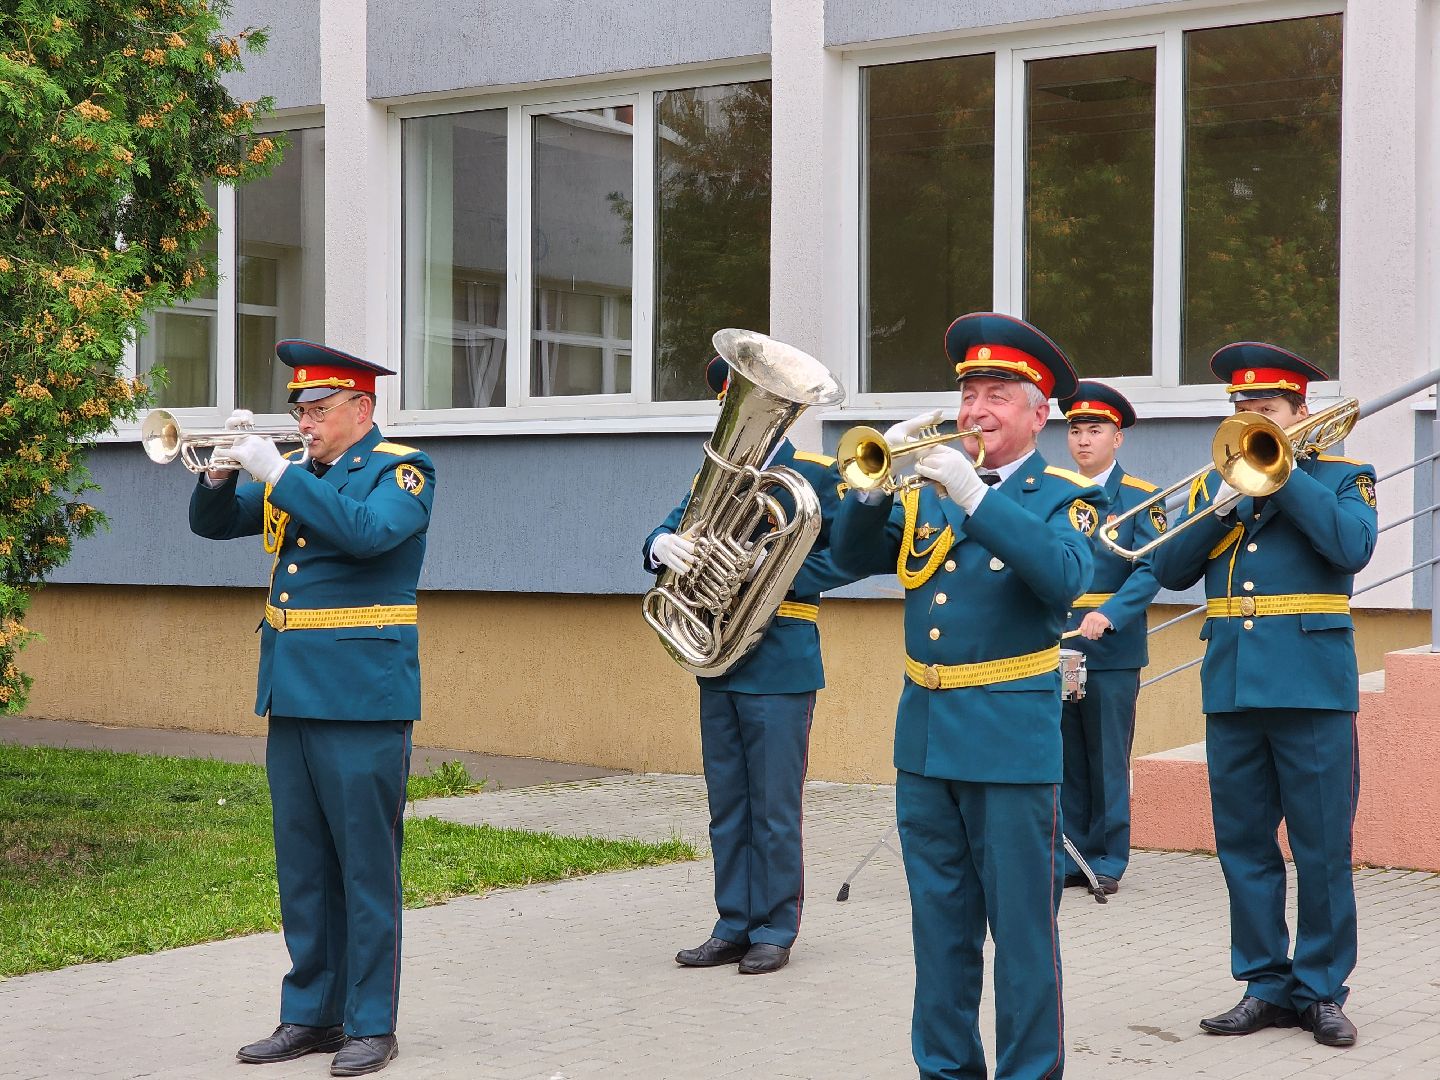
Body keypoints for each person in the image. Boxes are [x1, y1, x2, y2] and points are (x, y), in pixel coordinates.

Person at [832, 312, 1102, 1079]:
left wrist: (978, 501)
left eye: (998, 395)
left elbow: (1064, 580)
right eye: (970, 393)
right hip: (925, 742)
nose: (977, 410)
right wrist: (870, 493)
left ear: (1039, 413)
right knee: (940, 935)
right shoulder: (928, 492)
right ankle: (945, 1072)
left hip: (1011, 745)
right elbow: (849, 560)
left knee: (1022, 940)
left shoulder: (1064, 497)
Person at [190, 340, 436, 1077]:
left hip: (362, 695)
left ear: (362, 408)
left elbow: (365, 535)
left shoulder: (401, 471)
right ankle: (310, 1013)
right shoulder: (298, 475)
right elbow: (211, 524)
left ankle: (369, 1023)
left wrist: (278, 476)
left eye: (320, 410)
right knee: (303, 866)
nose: (306, 424)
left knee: (364, 867)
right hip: (293, 690)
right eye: (301, 410)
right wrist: (224, 473)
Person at [1150, 342, 1376, 1049]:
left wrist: (1280, 477)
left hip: (1311, 691)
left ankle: (1321, 991)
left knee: (1322, 850)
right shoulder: (1213, 486)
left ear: (1300, 413)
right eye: (1242, 409)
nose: (1251, 418)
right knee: (1244, 847)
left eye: (1266, 409)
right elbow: (1167, 569)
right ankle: (1264, 984)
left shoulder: (1344, 477)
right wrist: (1219, 509)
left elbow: (1351, 548)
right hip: (1234, 690)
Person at [644, 355, 858, 976]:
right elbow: (669, 531)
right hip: (718, 659)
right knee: (728, 802)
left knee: (773, 805)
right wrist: (663, 546)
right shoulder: (716, 480)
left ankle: (775, 927)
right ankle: (732, 922)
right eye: (728, 403)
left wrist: (771, 573)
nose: (729, 414)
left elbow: (856, 553)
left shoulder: (813, 476)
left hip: (781, 657)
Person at [1056, 381, 1163, 895]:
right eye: (1075, 430)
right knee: (1066, 755)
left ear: (1116, 438)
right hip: (1056, 642)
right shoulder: (1056, 493)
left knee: (1106, 756)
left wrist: (1110, 612)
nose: (1083, 440)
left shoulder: (1141, 499)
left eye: (1095, 430)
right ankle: (1071, 852)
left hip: (1111, 647)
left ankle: (1108, 857)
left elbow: (1150, 569)